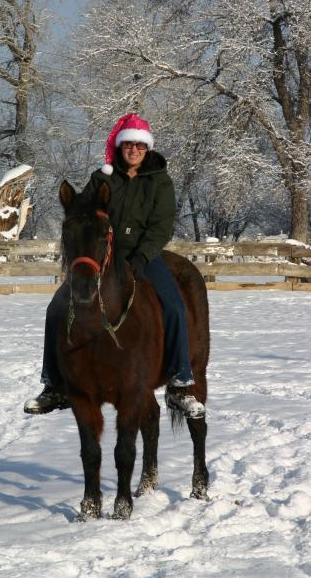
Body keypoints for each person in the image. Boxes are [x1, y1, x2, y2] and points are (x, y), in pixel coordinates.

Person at [24, 113, 205, 419]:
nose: (133, 150)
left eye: (139, 146)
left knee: (174, 306)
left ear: (147, 149)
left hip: (143, 256)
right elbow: (85, 212)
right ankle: (54, 385)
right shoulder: (102, 178)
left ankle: (179, 384)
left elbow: (161, 227)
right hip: (103, 257)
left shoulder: (160, 181)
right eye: (128, 145)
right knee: (56, 308)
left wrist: (142, 256)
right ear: (120, 147)